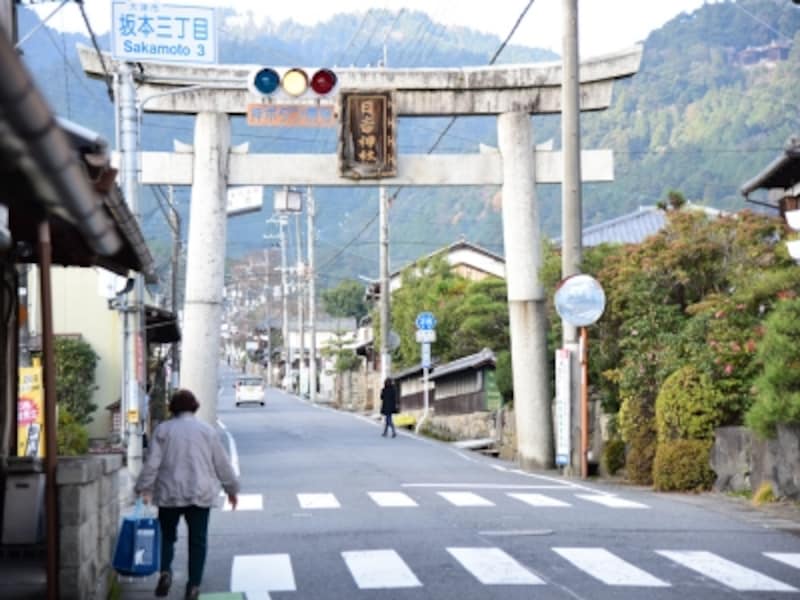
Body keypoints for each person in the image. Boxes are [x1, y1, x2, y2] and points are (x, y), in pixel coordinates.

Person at [135, 389, 240, 600]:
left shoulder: (163, 430)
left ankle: (165, 571)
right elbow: (222, 463)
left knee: (167, 536)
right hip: (199, 493)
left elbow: (152, 463)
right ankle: (193, 585)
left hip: (169, 494)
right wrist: (231, 489)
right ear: (194, 407)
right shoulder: (207, 431)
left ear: (172, 408)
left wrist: (142, 488)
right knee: (198, 541)